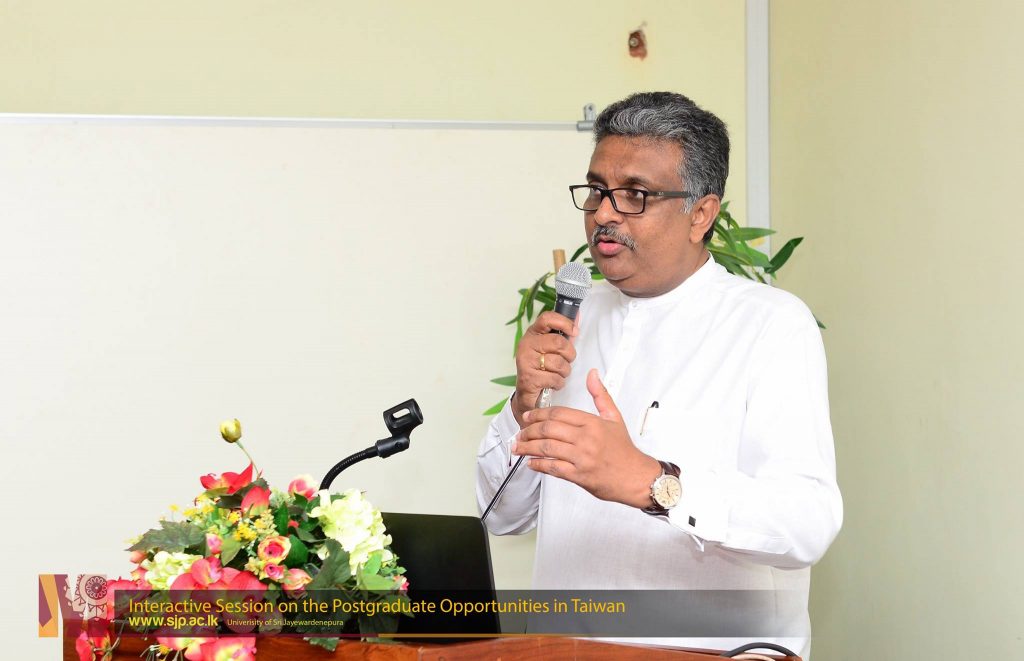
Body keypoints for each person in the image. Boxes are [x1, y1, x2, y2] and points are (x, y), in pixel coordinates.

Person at [475, 91, 843, 656]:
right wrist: (524, 406)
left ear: (701, 214)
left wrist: (653, 483)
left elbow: (806, 525)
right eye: (597, 191)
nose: (603, 213)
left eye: (635, 195)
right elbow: (501, 515)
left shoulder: (770, 325)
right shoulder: (572, 320)